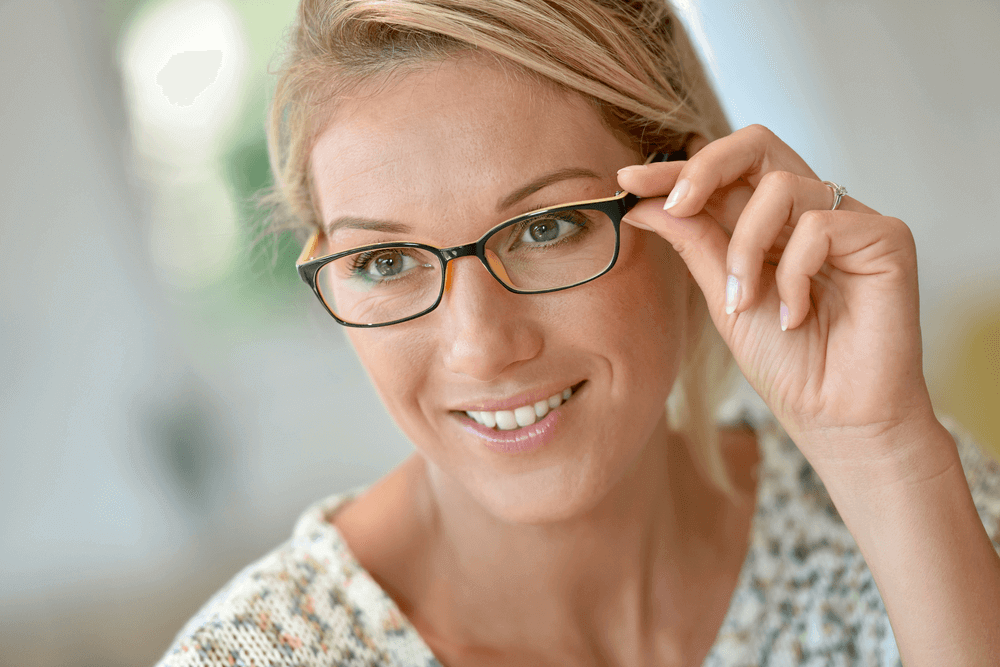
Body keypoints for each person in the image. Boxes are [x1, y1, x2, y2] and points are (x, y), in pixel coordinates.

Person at [155, 1, 1000, 665]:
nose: (481, 346)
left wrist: (879, 448)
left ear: (699, 198)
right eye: (385, 261)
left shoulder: (903, 502)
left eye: (547, 227)